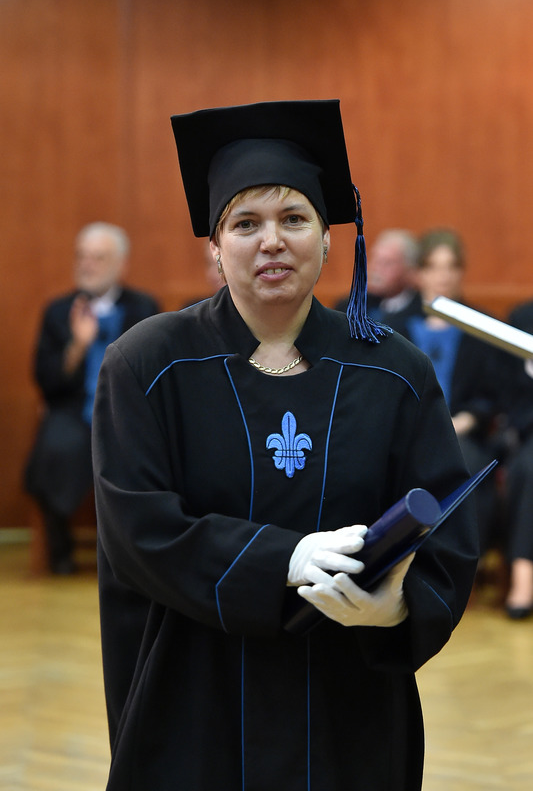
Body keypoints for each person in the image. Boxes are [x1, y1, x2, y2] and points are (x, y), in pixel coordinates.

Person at [92, 101, 478, 791]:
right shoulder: (149, 365)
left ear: (328, 239)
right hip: (196, 697)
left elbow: (447, 533)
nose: (271, 240)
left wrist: (396, 608)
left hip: (345, 700)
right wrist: (284, 560)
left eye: (294, 219)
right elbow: (136, 530)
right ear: (215, 247)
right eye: (245, 223)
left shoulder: (394, 372)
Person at [24, 222, 159, 574]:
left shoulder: (143, 307)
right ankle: (60, 549)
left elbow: (153, 370)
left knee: (143, 454)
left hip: (126, 412)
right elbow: (45, 380)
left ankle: (127, 552)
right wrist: (78, 346)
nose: (87, 265)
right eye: (82, 257)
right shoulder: (58, 310)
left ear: (121, 264)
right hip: (72, 410)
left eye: (98, 258)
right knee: (55, 449)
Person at [382, 228, 502, 557]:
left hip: (463, 434)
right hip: (406, 434)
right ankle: (393, 559)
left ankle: (460, 562)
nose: (443, 276)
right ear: (419, 273)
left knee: (465, 461)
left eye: (451, 267)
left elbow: (491, 395)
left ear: (461, 272)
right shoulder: (394, 326)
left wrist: (461, 422)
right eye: (434, 267)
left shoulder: (482, 327)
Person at [499, 299, 533, 618]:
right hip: (530, 431)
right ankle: (524, 578)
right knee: (530, 466)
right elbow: (508, 393)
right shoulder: (522, 318)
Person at [335, 227, 419, 319]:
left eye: (387, 263)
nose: (375, 269)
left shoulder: (421, 312)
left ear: (409, 269)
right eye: (375, 261)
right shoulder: (350, 306)